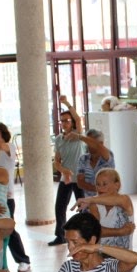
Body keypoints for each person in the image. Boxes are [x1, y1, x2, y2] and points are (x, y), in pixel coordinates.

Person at [0, 122, 31, 272]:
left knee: (9, 228)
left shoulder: (9, 147)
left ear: (3, 134)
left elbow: (2, 147)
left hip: (7, 196)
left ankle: (23, 260)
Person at [49, 97, 87, 246]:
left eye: (67, 120)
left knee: (83, 207)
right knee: (60, 207)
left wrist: (66, 103)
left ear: (72, 123)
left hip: (80, 178)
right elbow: (56, 161)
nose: (64, 123)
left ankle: (85, 235)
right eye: (62, 121)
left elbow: (78, 118)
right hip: (67, 178)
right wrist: (63, 170)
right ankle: (60, 236)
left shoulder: (78, 135)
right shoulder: (59, 139)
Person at [74, 129, 116, 196]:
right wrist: (100, 189)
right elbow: (80, 183)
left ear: (101, 144)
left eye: (90, 142)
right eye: (87, 143)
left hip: (107, 199)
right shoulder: (83, 158)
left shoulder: (108, 156)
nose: (88, 145)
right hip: (89, 200)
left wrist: (79, 137)